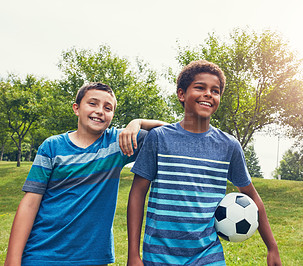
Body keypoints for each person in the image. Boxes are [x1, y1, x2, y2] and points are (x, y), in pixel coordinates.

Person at [125, 60, 281, 265]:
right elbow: (137, 194)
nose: (208, 94)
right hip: (158, 253)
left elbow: (252, 196)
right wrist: (133, 255)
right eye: (200, 87)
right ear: (182, 94)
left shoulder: (229, 146)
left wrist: (272, 247)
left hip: (207, 255)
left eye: (215, 91)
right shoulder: (159, 138)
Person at [5, 82, 166, 266]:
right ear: (76, 108)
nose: (100, 111)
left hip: (92, 258)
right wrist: (13, 259)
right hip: (42, 254)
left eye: (108, 108)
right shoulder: (52, 146)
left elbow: (169, 132)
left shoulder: (118, 143)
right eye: (92, 103)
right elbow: (30, 204)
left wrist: (137, 122)